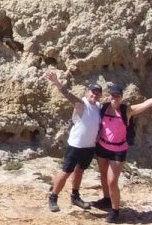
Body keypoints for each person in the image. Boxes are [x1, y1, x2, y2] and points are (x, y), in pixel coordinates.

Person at [90, 81, 152, 223]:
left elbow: (146, 104)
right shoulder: (103, 108)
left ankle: (115, 211)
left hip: (118, 150)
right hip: (102, 147)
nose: (115, 98)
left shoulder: (127, 110)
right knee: (103, 175)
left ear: (122, 97)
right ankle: (106, 199)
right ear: (109, 96)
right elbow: (87, 105)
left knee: (112, 181)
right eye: (113, 95)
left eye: (118, 96)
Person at [40, 67, 104, 213]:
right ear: (88, 92)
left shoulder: (99, 107)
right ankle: (53, 197)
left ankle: (75, 196)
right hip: (76, 146)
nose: (94, 95)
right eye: (92, 92)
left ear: (100, 96)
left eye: (97, 93)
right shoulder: (82, 103)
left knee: (80, 170)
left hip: (89, 147)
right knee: (66, 171)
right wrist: (56, 82)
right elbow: (68, 94)